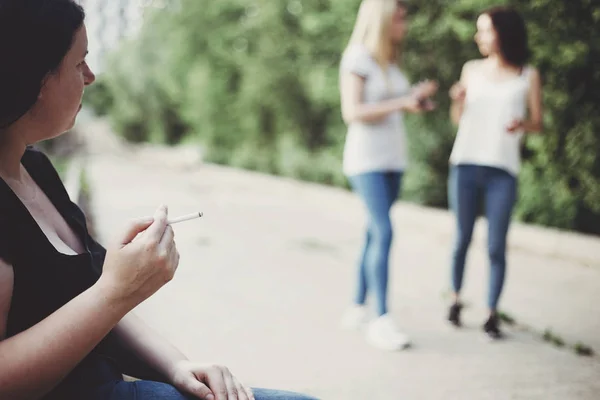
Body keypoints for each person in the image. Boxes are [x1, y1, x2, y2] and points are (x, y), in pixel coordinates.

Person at [0, 1, 319, 399]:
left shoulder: (36, 169)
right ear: (34, 78)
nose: (91, 76)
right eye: (79, 62)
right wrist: (115, 291)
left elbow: (95, 300)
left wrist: (176, 365)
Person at [338, 0, 438, 351]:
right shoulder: (358, 57)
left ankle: (356, 305)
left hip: (393, 160)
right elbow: (352, 111)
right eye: (399, 15)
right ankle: (381, 320)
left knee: (372, 232)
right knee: (383, 230)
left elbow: (392, 105)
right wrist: (402, 102)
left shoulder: (390, 60)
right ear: (382, 18)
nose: (405, 21)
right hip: (366, 162)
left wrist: (416, 99)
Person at [446, 5, 543, 339]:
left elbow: (538, 123)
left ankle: (490, 313)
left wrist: (522, 125)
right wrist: (457, 100)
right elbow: (458, 119)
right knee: (461, 239)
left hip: (503, 168)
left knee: (496, 245)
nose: (479, 36)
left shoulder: (527, 75)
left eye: (485, 29)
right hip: (466, 163)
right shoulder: (471, 69)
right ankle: (455, 300)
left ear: (503, 32)